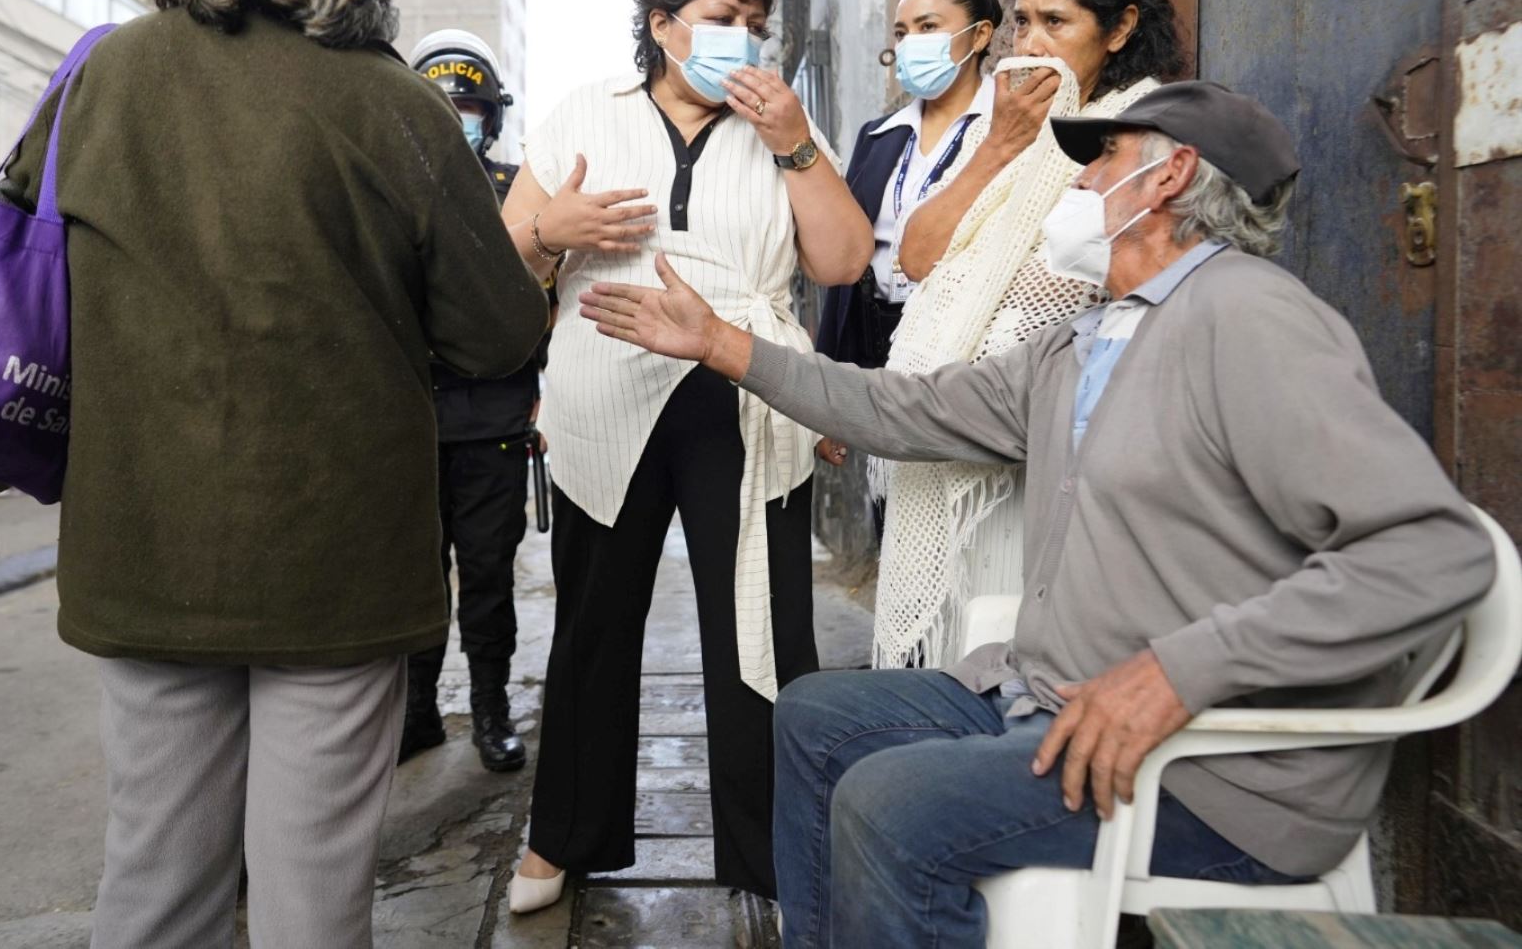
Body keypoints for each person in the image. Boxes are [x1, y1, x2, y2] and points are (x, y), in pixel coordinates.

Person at [580, 80, 1496, 949]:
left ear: (1169, 174)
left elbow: (1430, 551)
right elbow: (902, 411)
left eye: (1104, 160)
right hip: (1051, 700)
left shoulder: (1249, 317)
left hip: (1213, 770)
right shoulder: (1089, 337)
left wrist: (1176, 673)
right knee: (816, 718)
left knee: (892, 802)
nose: (1083, 181)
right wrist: (721, 345)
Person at [0, 0, 547, 948]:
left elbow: (15, 253)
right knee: (311, 904)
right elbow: (499, 335)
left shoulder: (103, 75)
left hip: (145, 548)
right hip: (336, 568)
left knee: (156, 887)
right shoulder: (401, 108)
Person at [498, 0, 874, 913]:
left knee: (762, 622)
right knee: (593, 622)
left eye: (755, 24)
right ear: (663, 25)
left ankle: (771, 850)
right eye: (719, 17)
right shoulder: (588, 113)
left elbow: (840, 260)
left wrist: (793, 138)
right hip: (605, 388)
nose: (739, 38)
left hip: (743, 387)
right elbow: (501, 256)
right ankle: (563, 837)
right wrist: (553, 231)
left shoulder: (785, 127)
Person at [874, 0, 1187, 674]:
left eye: (1057, 21)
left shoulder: (1150, 130)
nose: (1033, 41)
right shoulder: (1016, 125)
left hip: (1047, 449)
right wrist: (998, 146)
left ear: (1119, 29)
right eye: (1022, 19)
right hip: (955, 424)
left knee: (1003, 651)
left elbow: (1086, 276)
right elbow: (918, 256)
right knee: (951, 654)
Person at [403, 27, 542, 773]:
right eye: (442, 103)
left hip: (493, 418)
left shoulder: (521, 191)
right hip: (408, 424)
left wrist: (546, 399)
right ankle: (418, 712)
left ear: (492, 112)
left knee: (488, 578)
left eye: (470, 103)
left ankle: (491, 710)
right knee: (416, 580)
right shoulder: (387, 184)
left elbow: (543, 300)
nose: (458, 114)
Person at [813, 0, 1001, 470]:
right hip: (879, 347)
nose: (910, 42)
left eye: (928, 27)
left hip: (965, 348)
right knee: (891, 499)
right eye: (902, 31)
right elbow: (847, 273)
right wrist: (830, 400)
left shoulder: (1008, 127)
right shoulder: (879, 137)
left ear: (979, 34)